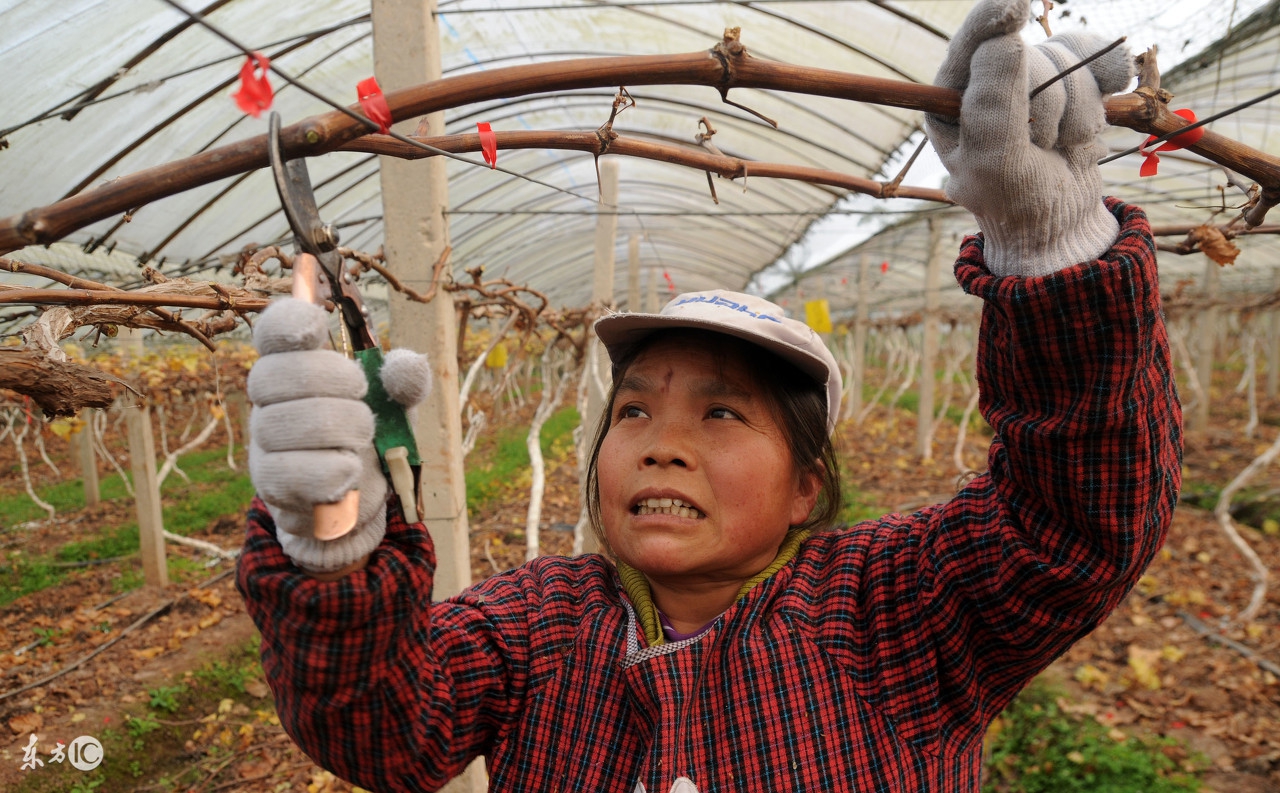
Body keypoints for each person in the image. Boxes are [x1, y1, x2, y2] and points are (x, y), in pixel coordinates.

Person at [236, 0, 1182, 790]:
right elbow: (386, 731)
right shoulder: (536, 623)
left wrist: (1053, 248)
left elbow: (1071, 525)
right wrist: (332, 543)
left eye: (721, 412)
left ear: (807, 489)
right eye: (635, 408)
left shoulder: (893, 611)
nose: (661, 440)